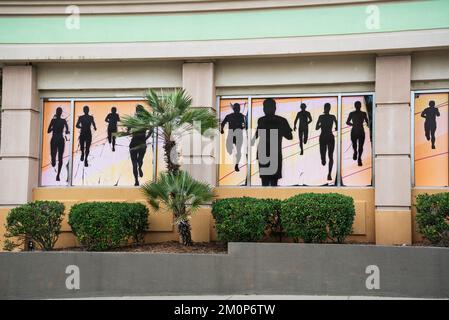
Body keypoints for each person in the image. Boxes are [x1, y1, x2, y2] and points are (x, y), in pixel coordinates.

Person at [252, 98, 293, 186]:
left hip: (269, 153)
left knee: (267, 181)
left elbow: (255, 136)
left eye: (266, 107)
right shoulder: (281, 120)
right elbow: (289, 136)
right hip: (271, 153)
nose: (265, 110)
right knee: (271, 181)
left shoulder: (262, 120)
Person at [129, 105, 153, 186]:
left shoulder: (133, 119)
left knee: (135, 163)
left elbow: (128, 130)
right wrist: (146, 137)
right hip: (141, 141)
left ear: (136, 111)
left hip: (134, 142)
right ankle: (139, 172)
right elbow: (151, 130)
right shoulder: (146, 120)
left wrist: (130, 131)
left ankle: (136, 180)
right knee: (139, 161)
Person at [220, 103, 247, 172]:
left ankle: (236, 165)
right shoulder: (231, 116)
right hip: (233, 135)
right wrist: (221, 129)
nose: (237, 110)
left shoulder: (240, 116)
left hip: (236, 135)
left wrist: (222, 129)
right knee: (233, 150)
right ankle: (236, 163)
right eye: (237, 109)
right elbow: (222, 123)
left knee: (238, 151)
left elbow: (244, 126)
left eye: (237, 109)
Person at [316, 103, 338, 181]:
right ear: (325, 108)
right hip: (324, 137)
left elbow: (337, 123)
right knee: (323, 157)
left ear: (329, 108)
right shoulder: (321, 117)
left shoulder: (332, 116)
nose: (327, 109)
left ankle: (329, 174)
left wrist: (336, 127)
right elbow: (316, 127)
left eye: (328, 108)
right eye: (327, 107)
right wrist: (321, 125)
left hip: (329, 136)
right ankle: (323, 159)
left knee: (330, 156)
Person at [47, 107, 69, 181]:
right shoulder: (54, 120)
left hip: (58, 139)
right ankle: (53, 160)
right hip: (57, 139)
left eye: (59, 111)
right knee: (57, 156)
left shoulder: (62, 121)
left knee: (60, 157)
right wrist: (53, 128)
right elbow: (48, 130)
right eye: (58, 111)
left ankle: (58, 175)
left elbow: (67, 129)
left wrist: (66, 131)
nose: (58, 113)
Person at [346, 101, 369, 166]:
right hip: (357, 130)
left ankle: (359, 158)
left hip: (357, 130)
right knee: (356, 145)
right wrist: (353, 124)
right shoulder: (354, 113)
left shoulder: (362, 113)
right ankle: (356, 153)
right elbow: (347, 122)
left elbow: (347, 122)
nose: (358, 106)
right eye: (358, 105)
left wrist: (353, 124)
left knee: (359, 146)